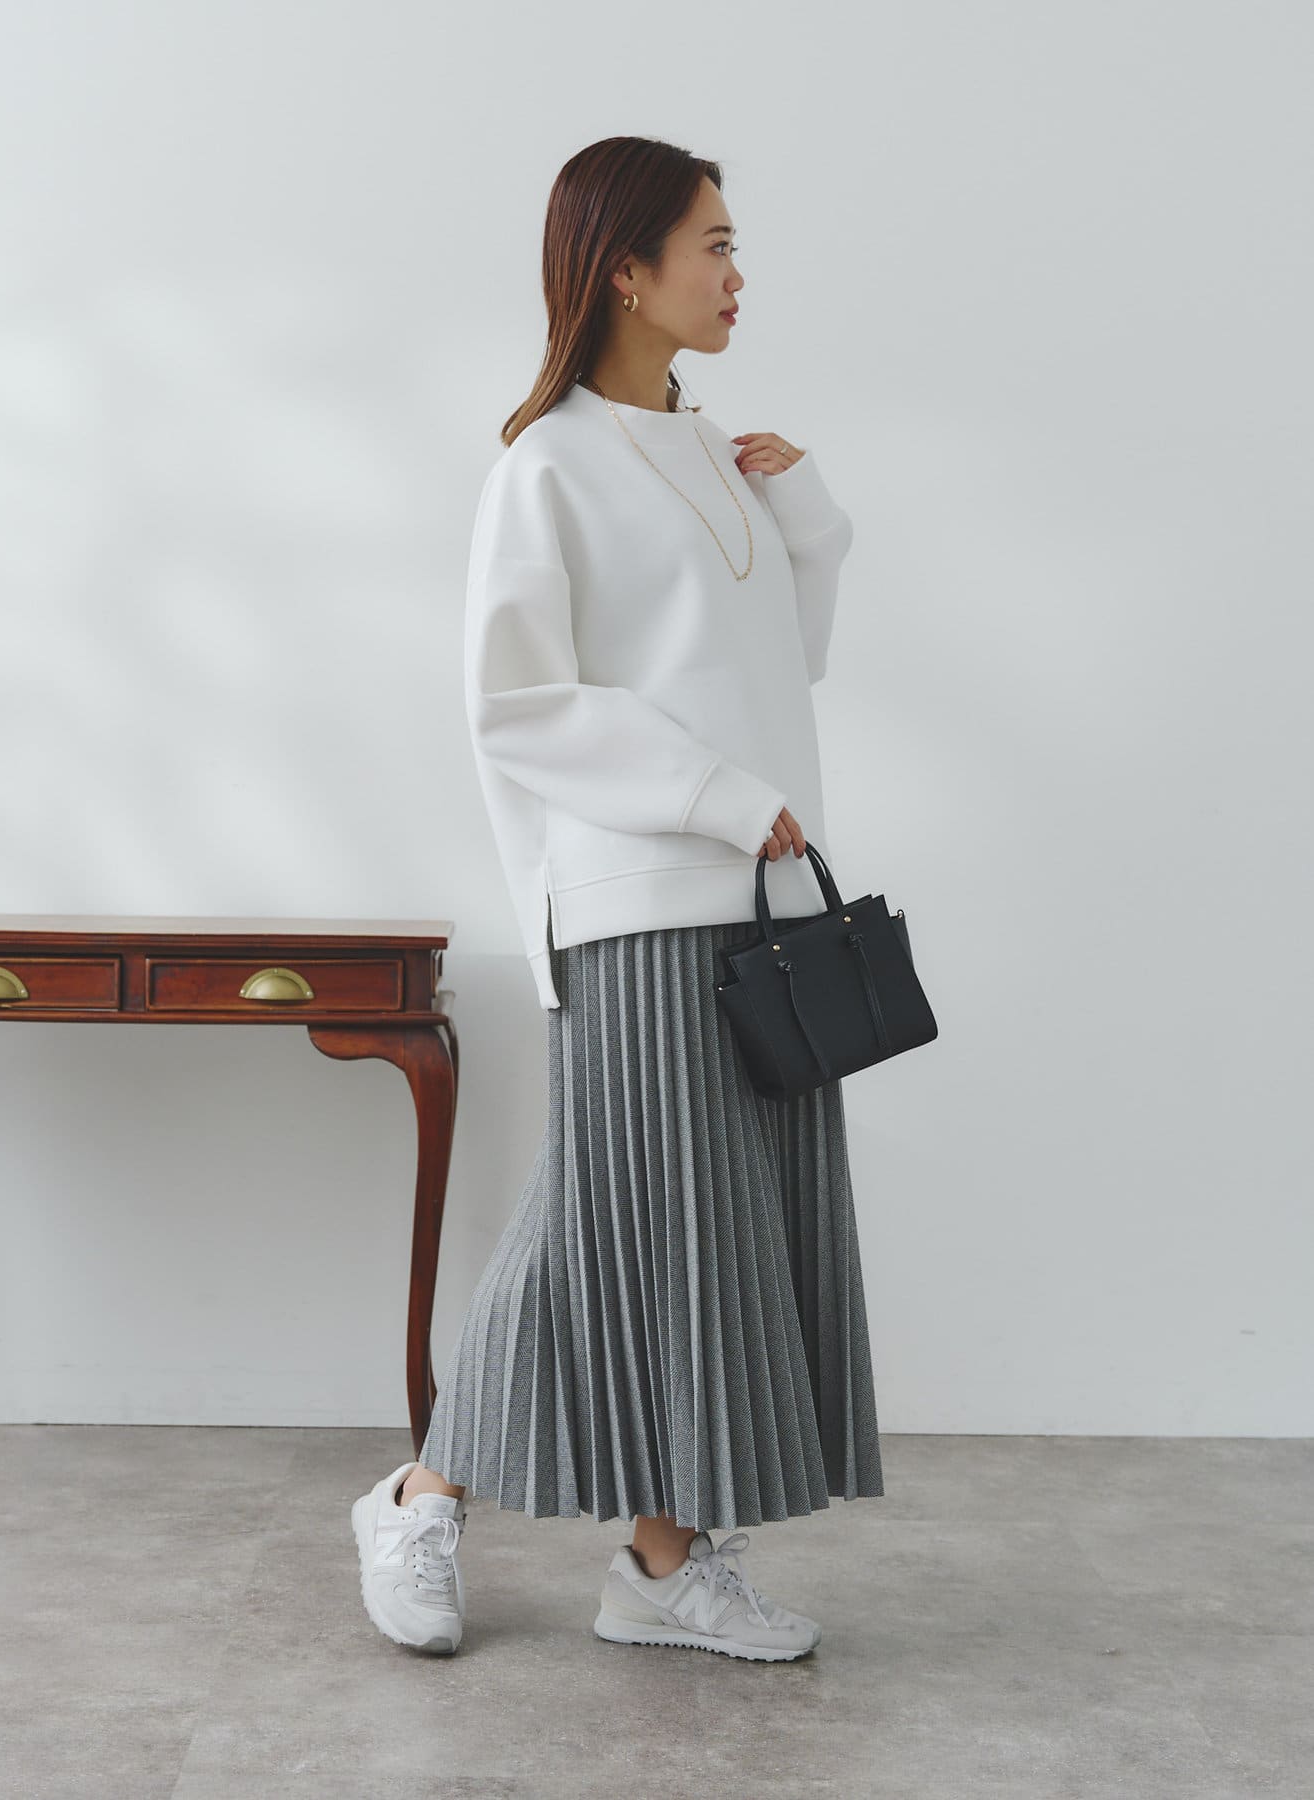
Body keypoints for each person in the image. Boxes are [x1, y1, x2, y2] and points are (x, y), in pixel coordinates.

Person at [351, 135, 884, 1662]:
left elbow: (785, 662)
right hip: (638, 893)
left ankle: (659, 1560)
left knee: (696, 1230)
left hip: (759, 900)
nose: (737, 272)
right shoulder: (547, 466)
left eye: (734, 243)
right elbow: (518, 703)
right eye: (712, 244)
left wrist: (808, 517)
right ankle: (427, 1498)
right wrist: (717, 796)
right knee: (621, 1216)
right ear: (627, 272)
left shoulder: (719, 456)